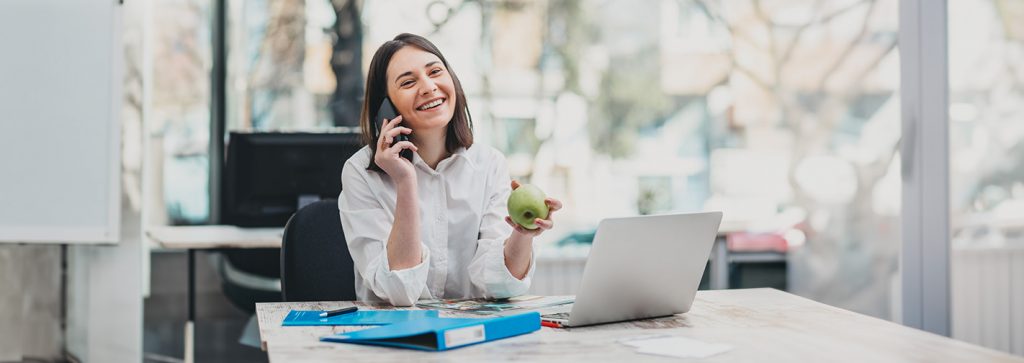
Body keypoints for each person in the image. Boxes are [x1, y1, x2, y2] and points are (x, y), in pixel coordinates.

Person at [338, 33, 562, 306]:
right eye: (408, 82)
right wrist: (405, 180)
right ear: (385, 107)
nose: (429, 87)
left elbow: (500, 286)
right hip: (391, 337)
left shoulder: (489, 164)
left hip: (471, 336)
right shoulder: (360, 172)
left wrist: (522, 234)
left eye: (435, 72)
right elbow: (399, 290)